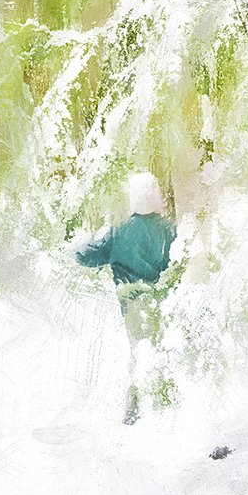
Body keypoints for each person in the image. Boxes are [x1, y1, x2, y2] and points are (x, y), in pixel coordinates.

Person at [75, 172, 177, 422]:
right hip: (163, 300)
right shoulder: (170, 230)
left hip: (131, 301)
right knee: (162, 349)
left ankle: (134, 412)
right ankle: (167, 406)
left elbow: (84, 256)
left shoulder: (119, 230)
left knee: (138, 352)